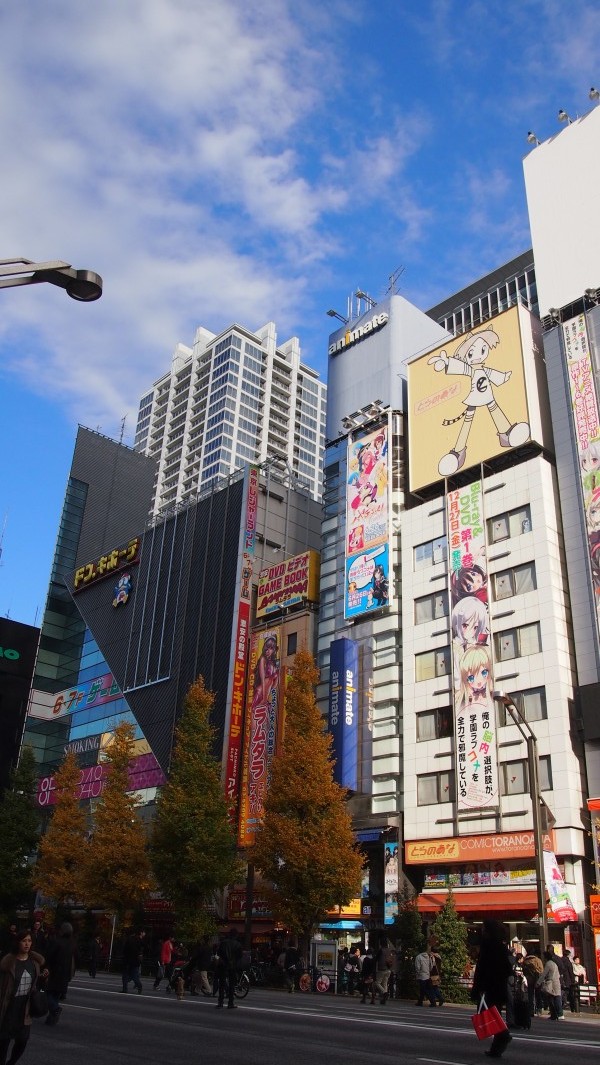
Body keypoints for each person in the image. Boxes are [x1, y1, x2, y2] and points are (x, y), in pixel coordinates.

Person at [0, 929, 45, 1065]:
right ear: (18, 942)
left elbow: (35, 985)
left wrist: (44, 978)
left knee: (22, 1042)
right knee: (3, 1043)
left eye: (29, 941)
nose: (27, 944)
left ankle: (11, 1062)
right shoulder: (8, 963)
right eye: (24, 940)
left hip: (25, 1008)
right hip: (8, 1007)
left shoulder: (34, 963)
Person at [472, 919, 514, 1058]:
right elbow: (507, 969)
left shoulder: (489, 947)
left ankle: (502, 1036)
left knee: (490, 1013)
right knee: (494, 1014)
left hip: (489, 987)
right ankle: (497, 1046)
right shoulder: (500, 947)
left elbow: (483, 969)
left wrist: (480, 985)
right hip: (497, 986)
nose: (482, 931)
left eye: (484, 929)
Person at [44, 922, 75, 1026]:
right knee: (56, 995)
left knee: (47, 994)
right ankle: (51, 1018)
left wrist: (45, 967)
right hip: (65, 974)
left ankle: (55, 1009)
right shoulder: (71, 944)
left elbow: (49, 956)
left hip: (54, 972)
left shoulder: (57, 942)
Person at [215, 929, 242, 1009]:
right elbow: (239, 956)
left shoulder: (223, 943)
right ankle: (230, 1003)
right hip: (232, 966)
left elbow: (218, 953)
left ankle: (220, 1002)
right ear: (236, 935)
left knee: (222, 984)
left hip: (223, 965)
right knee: (231, 985)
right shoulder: (238, 944)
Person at [537, 948, 562, 1020]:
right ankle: (559, 1014)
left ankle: (554, 1014)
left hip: (550, 983)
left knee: (551, 999)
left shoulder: (548, 964)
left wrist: (538, 982)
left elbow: (544, 974)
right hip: (556, 982)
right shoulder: (554, 964)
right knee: (556, 998)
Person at [120, 929, 145, 995]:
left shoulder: (128, 940)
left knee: (125, 975)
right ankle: (139, 985)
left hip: (127, 960)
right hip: (136, 961)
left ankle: (124, 989)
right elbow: (141, 950)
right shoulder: (139, 940)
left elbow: (124, 950)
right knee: (134, 975)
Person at [371, 938, 392, 1005]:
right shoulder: (389, 950)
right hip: (388, 969)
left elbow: (376, 959)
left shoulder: (381, 950)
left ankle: (384, 993)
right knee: (385, 983)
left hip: (382, 969)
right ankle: (384, 998)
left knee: (377, 982)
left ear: (381, 944)